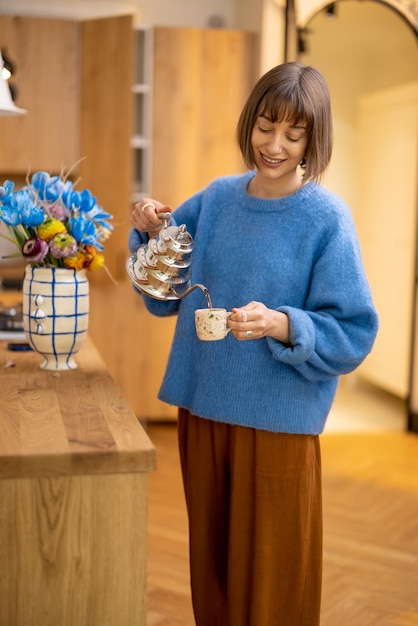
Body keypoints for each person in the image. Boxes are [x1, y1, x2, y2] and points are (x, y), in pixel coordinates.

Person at [128, 62, 378, 626]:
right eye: (267, 126)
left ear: (315, 140)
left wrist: (280, 323)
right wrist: (147, 231)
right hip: (203, 412)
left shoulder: (326, 219)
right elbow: (162, 295)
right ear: (250, 123)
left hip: (280, 427)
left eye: (295, 134)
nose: (275, 145)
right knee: (211, 574)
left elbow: (354, 334)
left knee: (274, 581)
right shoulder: (214, 201)